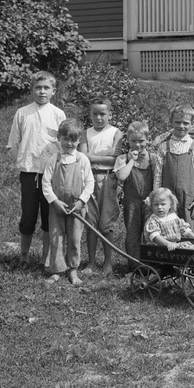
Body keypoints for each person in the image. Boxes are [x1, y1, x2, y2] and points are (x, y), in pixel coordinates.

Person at [6, 71, 66, 269]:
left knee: (49, 216)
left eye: (46, 88)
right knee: (28, 216)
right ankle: (24, 256)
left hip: (51, 174)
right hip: (29, 173)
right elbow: (13, 143)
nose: (42, 91)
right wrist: (23, 163)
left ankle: (45, 258)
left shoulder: (58, 114)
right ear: (32, 90)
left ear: (53, 91)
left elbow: (64, 144)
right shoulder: (22, 113)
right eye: (38, 88)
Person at [42, 119, 94, 285]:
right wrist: (55, 201)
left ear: (79, 141)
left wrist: (81, 202)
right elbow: (46, 183)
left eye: (73, 140)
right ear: (59, 138)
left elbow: (90, 183)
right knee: (56, 237)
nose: (69, 143)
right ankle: (57, 270)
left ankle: (73, 270)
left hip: (76, 208)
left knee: (74, 238)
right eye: (66, 139)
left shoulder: (82, 160)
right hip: (57, 207)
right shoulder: (54, 159)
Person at [79, 98, 122, 277]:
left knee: (106, 224)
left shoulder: (116, 132)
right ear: (90, 115)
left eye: (102, 114)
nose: (98, 117)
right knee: (91, 222)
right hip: (89, 179)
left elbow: (115, 159)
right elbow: (82, 157)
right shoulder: (85, 133)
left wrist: (93, 155)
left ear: (110, 115)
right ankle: (90, 262)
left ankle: (108, 263)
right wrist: (105, 154)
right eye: (95, 114)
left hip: (109, 179)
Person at [114, 121, 162, 262]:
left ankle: (152, 265)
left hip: (151, 202)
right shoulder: (123, 158)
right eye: (133, 141)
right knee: (133, 233)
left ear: (148, 139)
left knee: (152, 233)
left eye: (141, 141)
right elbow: (122, 176)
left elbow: (159, 181)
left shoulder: (154, 158)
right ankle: (134, 266)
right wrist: (132, 161)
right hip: (132, 203)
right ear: (127, 140)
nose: (137, 145)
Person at [156, 105, 194, 230]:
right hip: (166, 198)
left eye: (185, 123)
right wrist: (156, 196)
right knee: (166, 228)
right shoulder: (164, 147)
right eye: (177, 122)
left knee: (187, 229)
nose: (181, 126)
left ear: (192, 124)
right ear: (171, 122)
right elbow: (157, 175)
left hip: (187, 198)